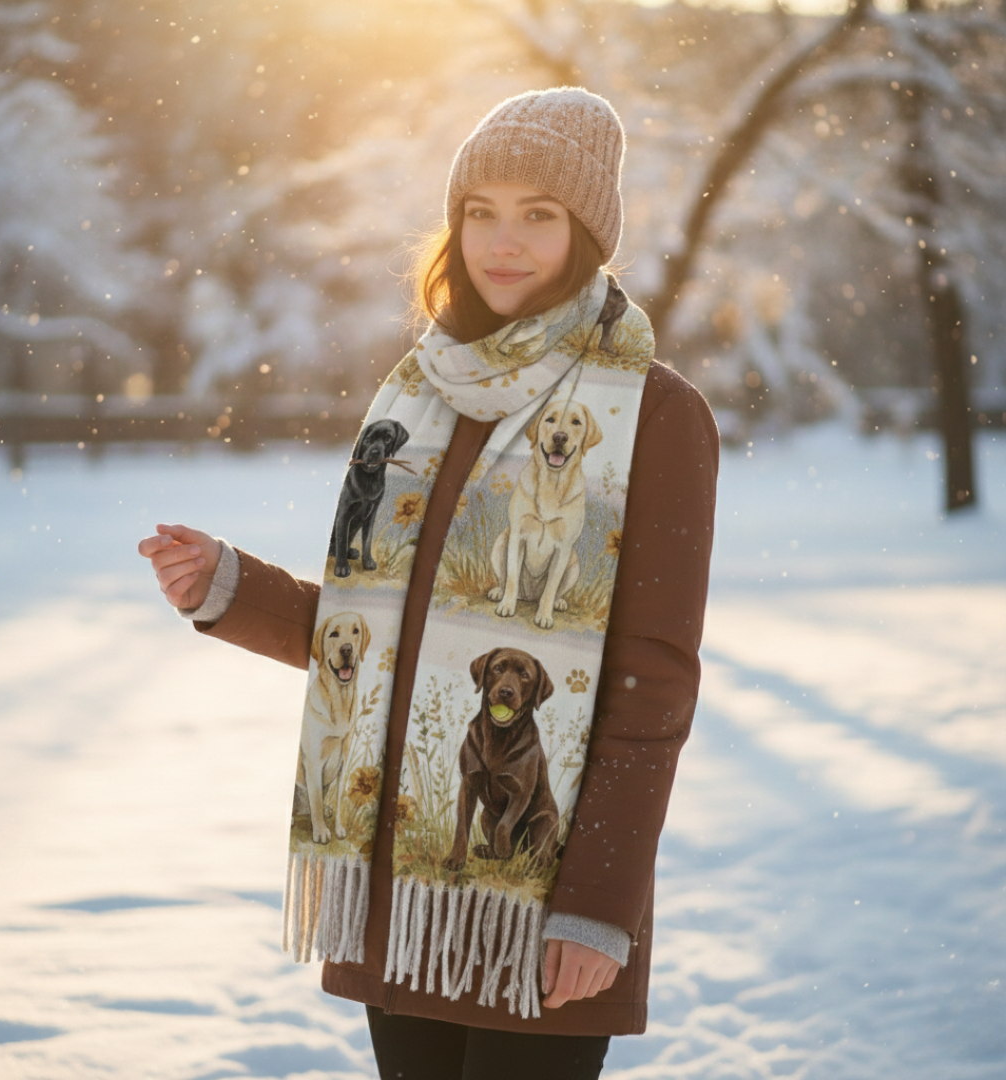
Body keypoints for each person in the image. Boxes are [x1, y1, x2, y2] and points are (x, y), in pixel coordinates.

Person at [138, 87, 718, 1080]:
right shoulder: (421, 395)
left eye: (539, 213)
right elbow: (382, 638)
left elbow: (650, 684)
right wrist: (231, 590)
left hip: (539, 902)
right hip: (403, 893)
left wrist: (598, 906)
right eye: (480, 210)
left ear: (588, 233)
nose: (504, 240)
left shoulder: (654, 414)